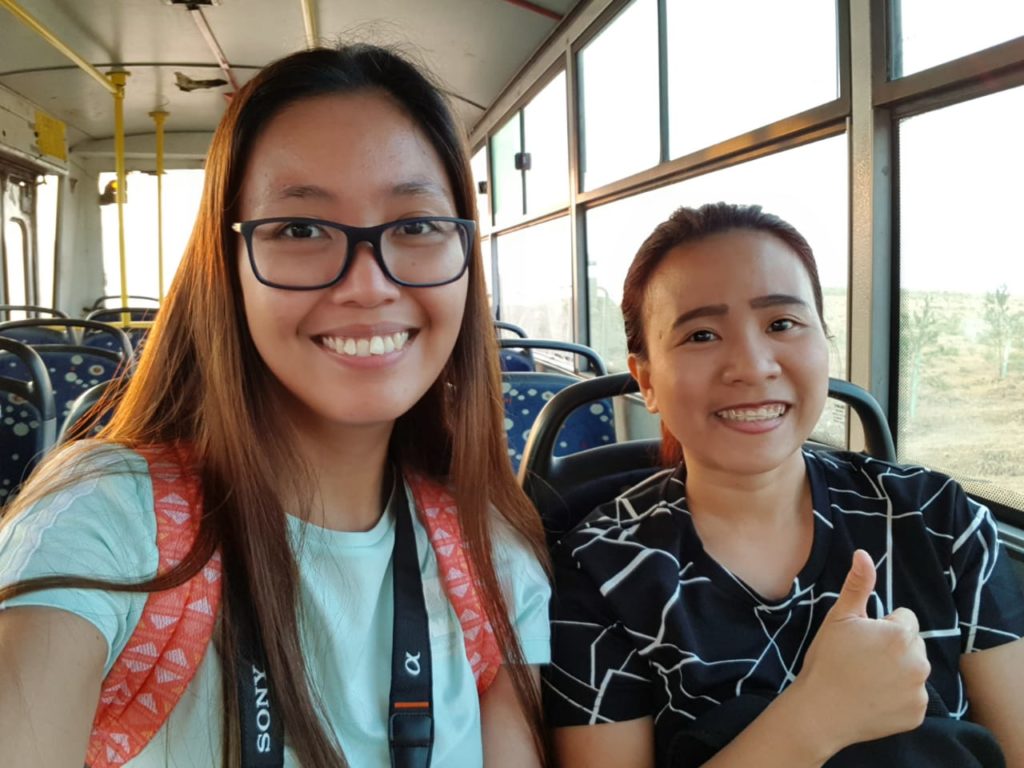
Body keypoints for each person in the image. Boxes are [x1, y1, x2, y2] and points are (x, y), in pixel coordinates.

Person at [0, 44, 550, 767]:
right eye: (300, 229)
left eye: (416, 225)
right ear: (227, 269)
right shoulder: (108, 523)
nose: (368, 284)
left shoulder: (489, 558)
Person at [543, 202, 1024, 767]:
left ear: (824, 342)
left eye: (781, 325)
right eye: (701, 334)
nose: (752, 366)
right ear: (646, 380)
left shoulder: (939, 518)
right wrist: (816, 718)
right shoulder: (600, 569)